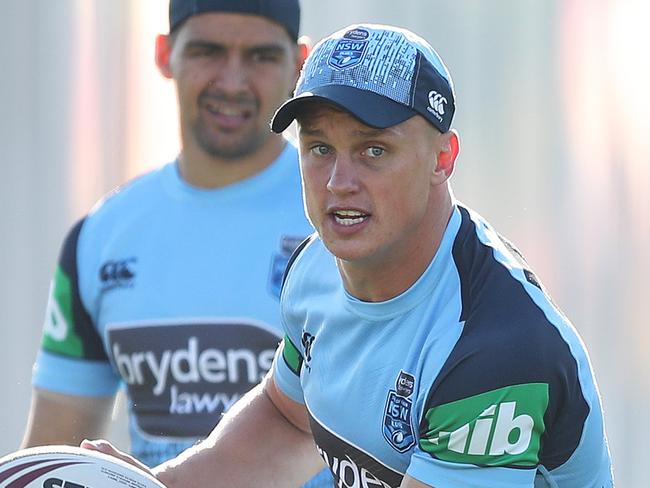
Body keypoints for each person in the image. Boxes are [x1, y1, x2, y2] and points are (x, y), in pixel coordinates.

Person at [83, 23, 615, 487]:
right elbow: (285, 420)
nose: (339, 182)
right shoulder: (315, 267)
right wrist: (153, 485)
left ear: (443, 158)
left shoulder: (498, 348)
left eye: (373, 150)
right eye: (319, 148)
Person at [22, 0, 334, 486]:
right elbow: (50, 456)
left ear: (299, 64)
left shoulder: (346, 218)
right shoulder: (100, 237)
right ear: (165, 54)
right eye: (208, 51)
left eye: (260, 56)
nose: (232, 82)